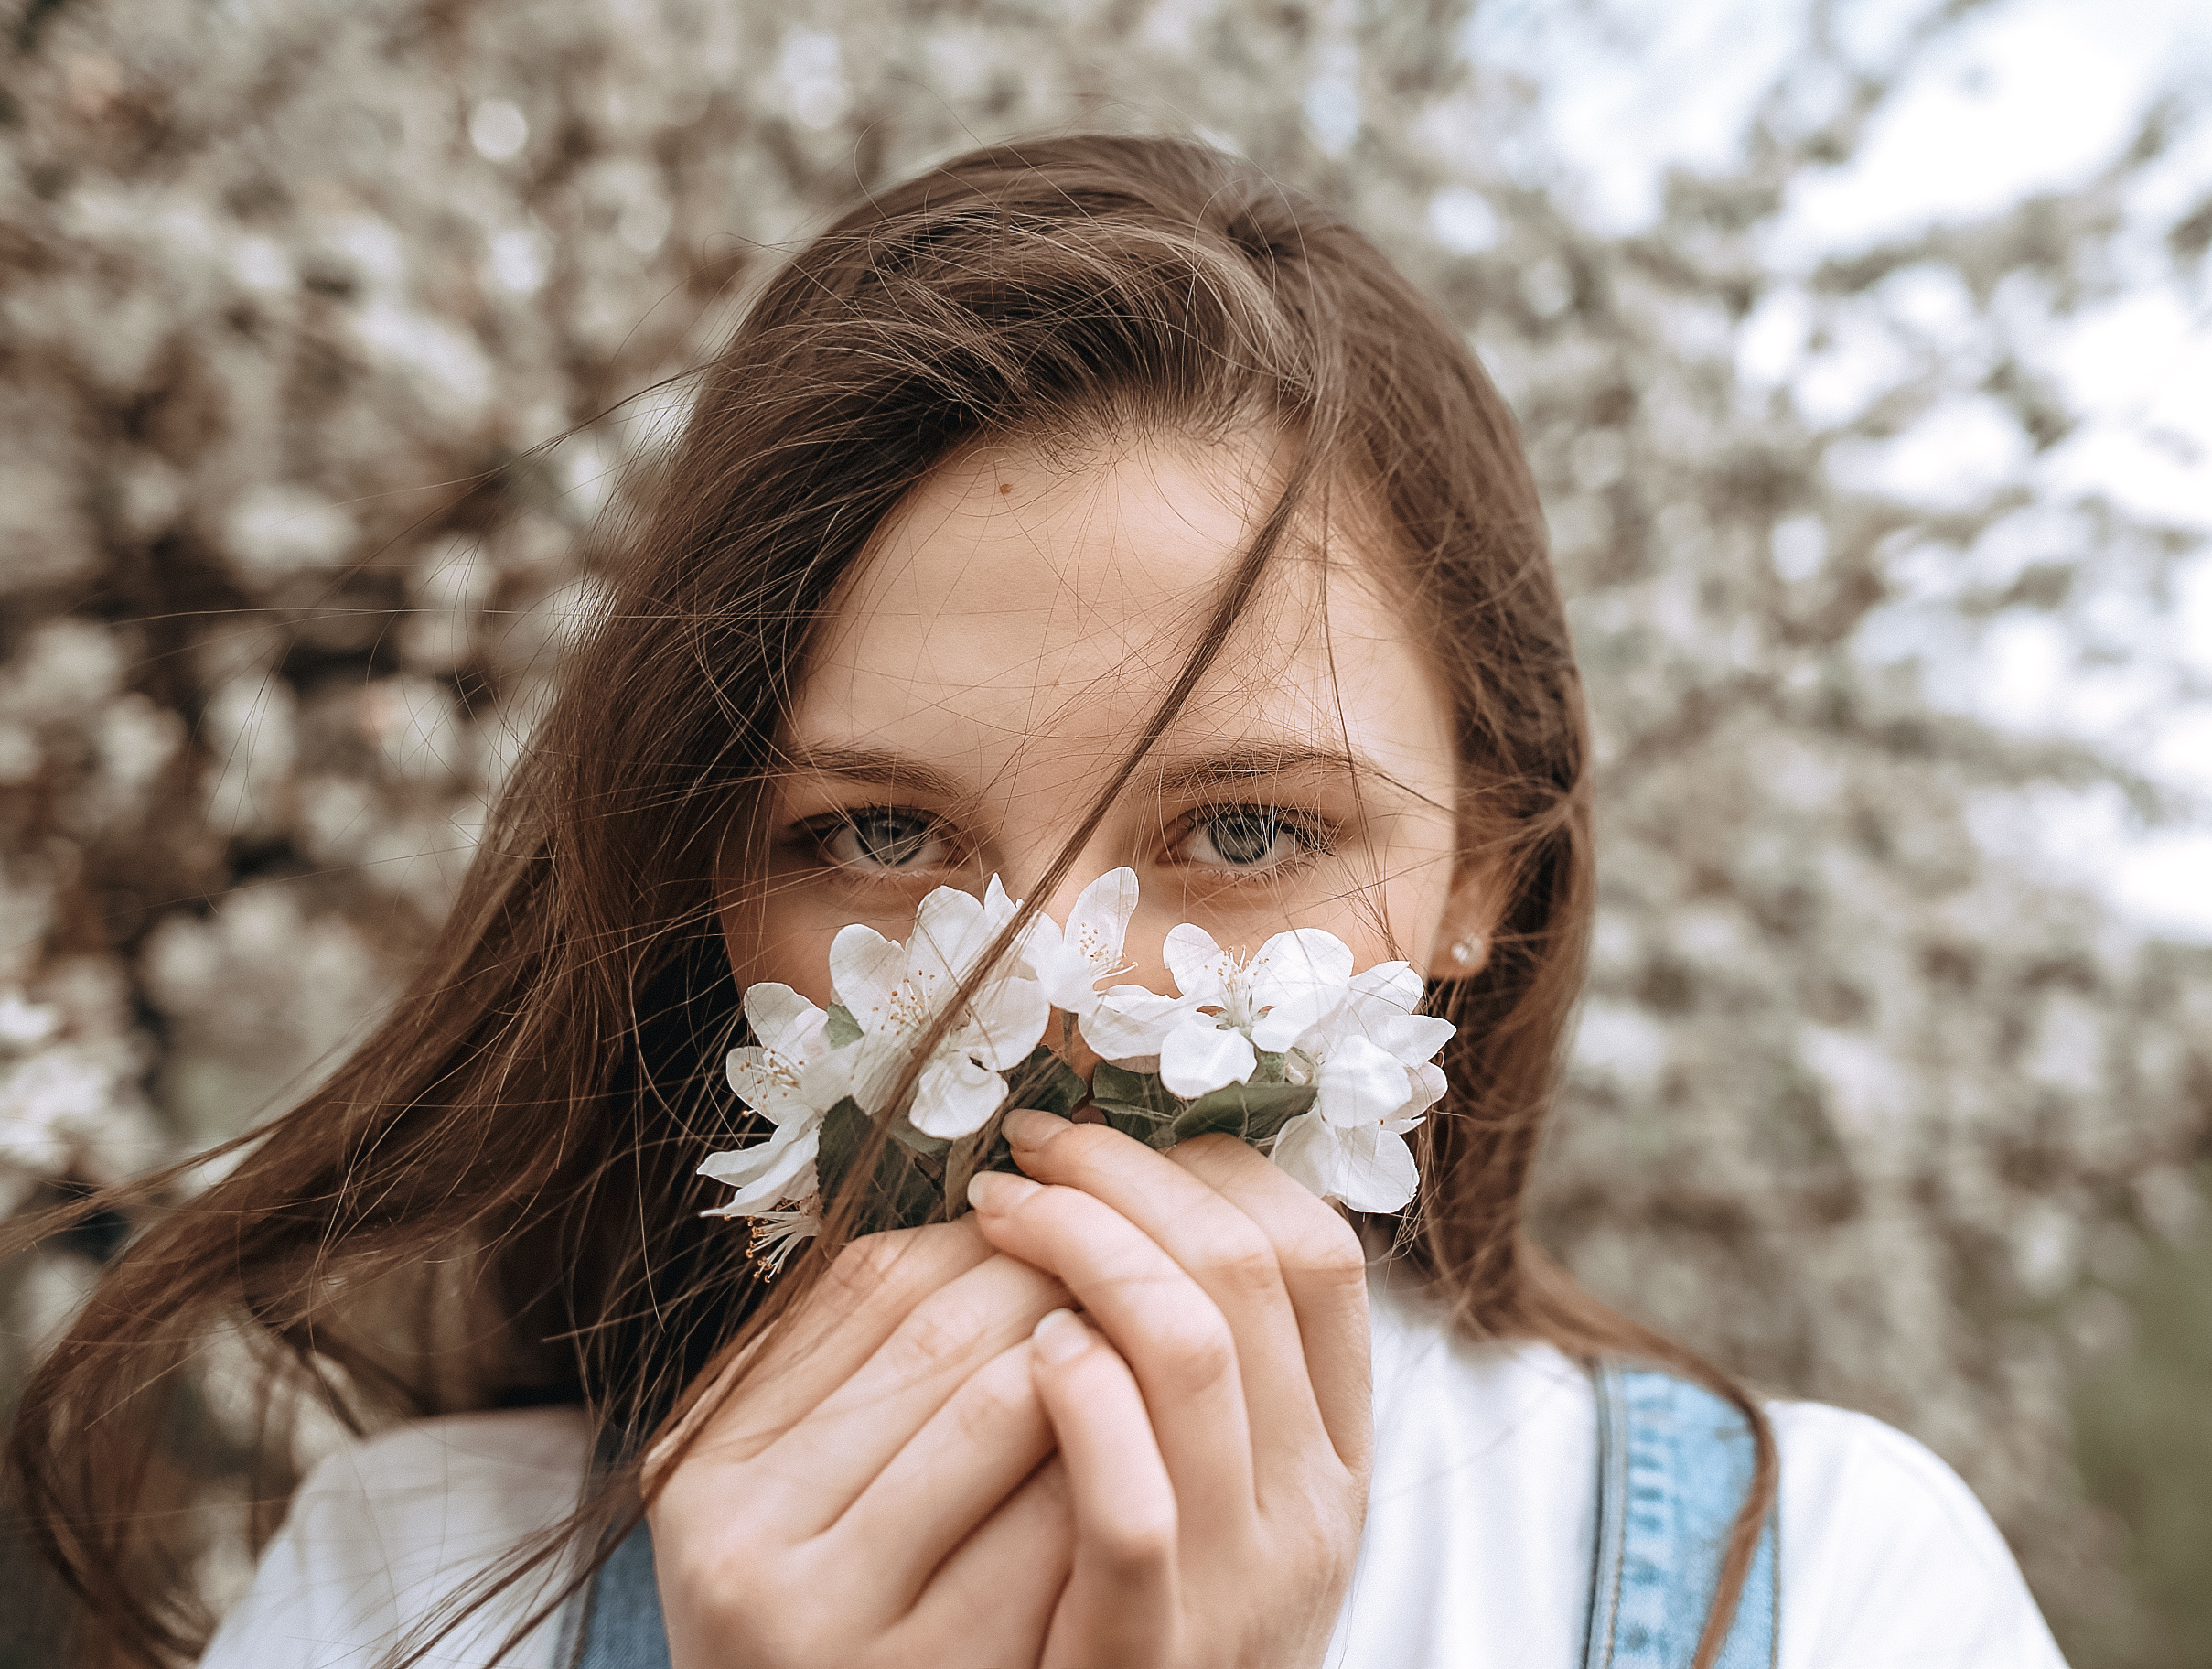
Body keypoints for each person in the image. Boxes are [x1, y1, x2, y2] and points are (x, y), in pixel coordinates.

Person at [6, 135, 2067, 1669]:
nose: (1056, 999)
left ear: (1484, 875)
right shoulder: (411, 1594)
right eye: (884, 837)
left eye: (1248, 832)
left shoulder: (1815, 1588)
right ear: (728, 892)